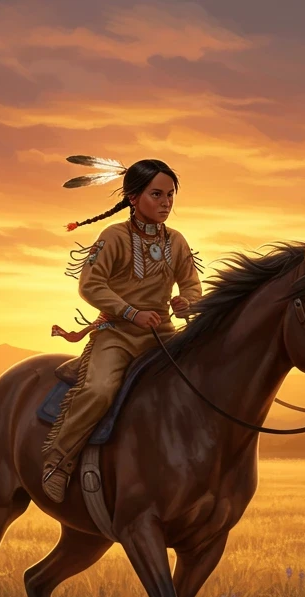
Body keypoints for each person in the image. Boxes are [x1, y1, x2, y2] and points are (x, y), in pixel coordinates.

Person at [41, 155, 203, 503]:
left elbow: (191, 284)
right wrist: (131, 312)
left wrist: (186, 302)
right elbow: (91, 285)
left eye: (170, 195)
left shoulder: (177, 241)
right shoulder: (113, 237)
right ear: (133, 198)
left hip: (163, 335)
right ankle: (58, 462)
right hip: (116, 335)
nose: (166, 203)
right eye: (156, 195)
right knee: (99, 390)